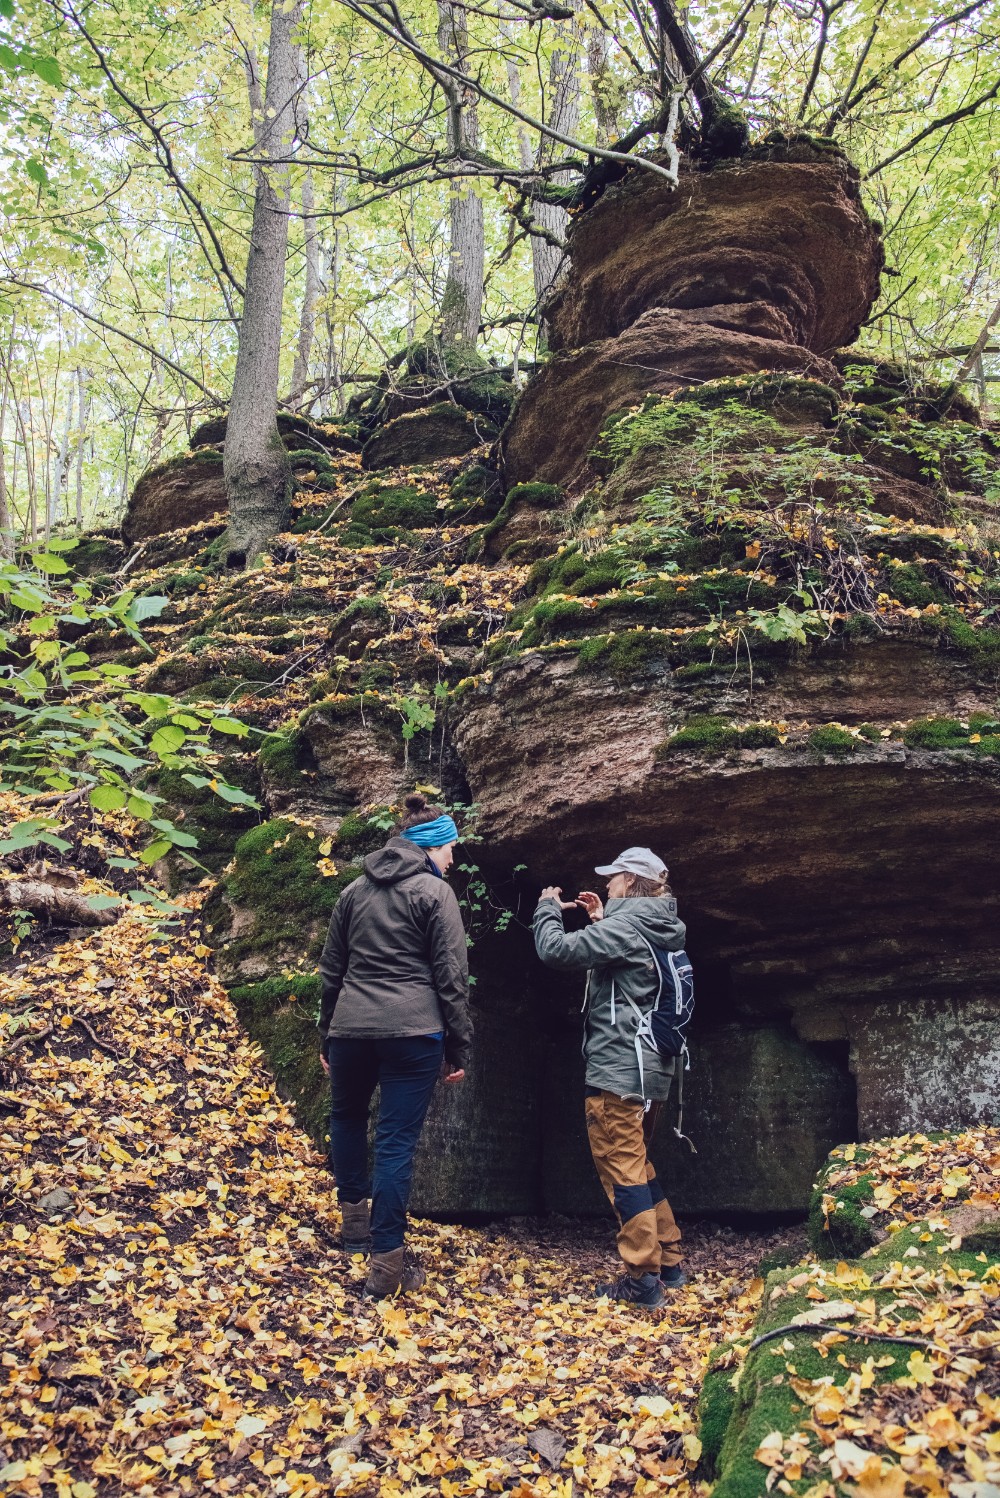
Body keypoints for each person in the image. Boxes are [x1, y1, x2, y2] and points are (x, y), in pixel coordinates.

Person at [318, 792, 472, 1298]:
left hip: (350, 1031)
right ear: (432, 847)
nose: (454, 857)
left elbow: (332, 972)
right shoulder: (434, 891)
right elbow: (451, 975)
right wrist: (458, 1046)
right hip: (412, 1032)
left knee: (346, 1118)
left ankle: (355, 1230)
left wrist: (327, 1033)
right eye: (451, 847)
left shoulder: (354, 892)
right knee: (395, 1140)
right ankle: (386, 1268)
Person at [533, 846, 687, 1309]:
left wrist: (546, 909)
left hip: (619, 1071)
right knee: (639, 1167)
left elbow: (555, 950)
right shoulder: (662, 927)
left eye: (613, 878)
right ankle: (671, 1263)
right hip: (652, 1069)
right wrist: (603, 921)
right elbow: (635, 973)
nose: (606, 884)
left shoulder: (626, 928)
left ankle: (643, 1279)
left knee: (623, 1173)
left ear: (632, 883)